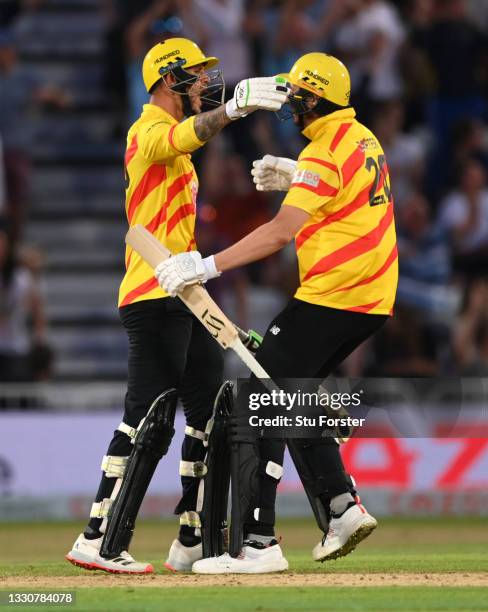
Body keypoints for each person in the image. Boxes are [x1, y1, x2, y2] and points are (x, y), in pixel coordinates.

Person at [156, 52, 398, 573]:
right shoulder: (359, 137)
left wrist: (203, 265)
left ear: (315, 98)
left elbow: (279, 233)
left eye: (296, 95)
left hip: (335, 292)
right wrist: (297, 176)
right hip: (372, 297)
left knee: (261, 399)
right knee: (286, 391)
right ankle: (340, 508)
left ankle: (259, 543)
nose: (289, 103)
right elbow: (353, 190)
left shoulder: (322, 153)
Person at [65, 36, 289, 574]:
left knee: (207, 416)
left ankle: (191, 536)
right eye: (196, 75)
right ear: (169, 80)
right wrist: (234, 106)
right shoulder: (146, 131)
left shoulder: (176, 145)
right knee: (147, 417)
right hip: (151, 294)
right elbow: (179, 138)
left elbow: (186, 142)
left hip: (184, 296)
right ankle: (98, 538)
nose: (205, 84)